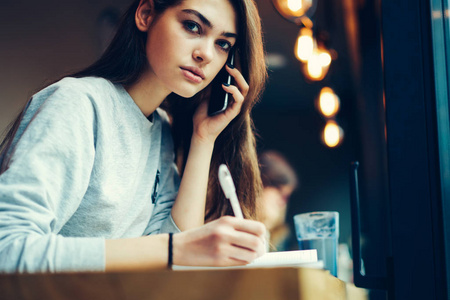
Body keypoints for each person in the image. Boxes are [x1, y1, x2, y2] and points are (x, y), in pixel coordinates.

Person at [0, 0, 267, 273]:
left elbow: (172, 262)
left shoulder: (160, 132)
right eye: (192, 26)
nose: (206, 54)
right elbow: (7, 247)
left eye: (223, 44)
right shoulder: (78, 102)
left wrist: (203, 138)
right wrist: (176, 249)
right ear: (146, 15)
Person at [258, 150, 299, 251]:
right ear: (261, 184)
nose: (282, 203)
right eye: (281, 193)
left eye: (286, 197)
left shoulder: (280, 234)